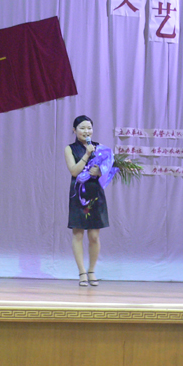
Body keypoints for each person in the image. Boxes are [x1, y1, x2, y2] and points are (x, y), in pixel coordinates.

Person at [64, 115, 109, 287]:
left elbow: (107, 170)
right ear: (74, 130)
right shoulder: (70, 149)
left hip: (95, 193)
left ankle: (92, 271)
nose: (86, 131)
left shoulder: (100, 148)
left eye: (89, 128)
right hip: (78, 194)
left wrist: (100, 172)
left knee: (94, 236)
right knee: (78, 234)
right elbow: (74, 171)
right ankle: (82, 272)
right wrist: (87, 154)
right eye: (82, 128)